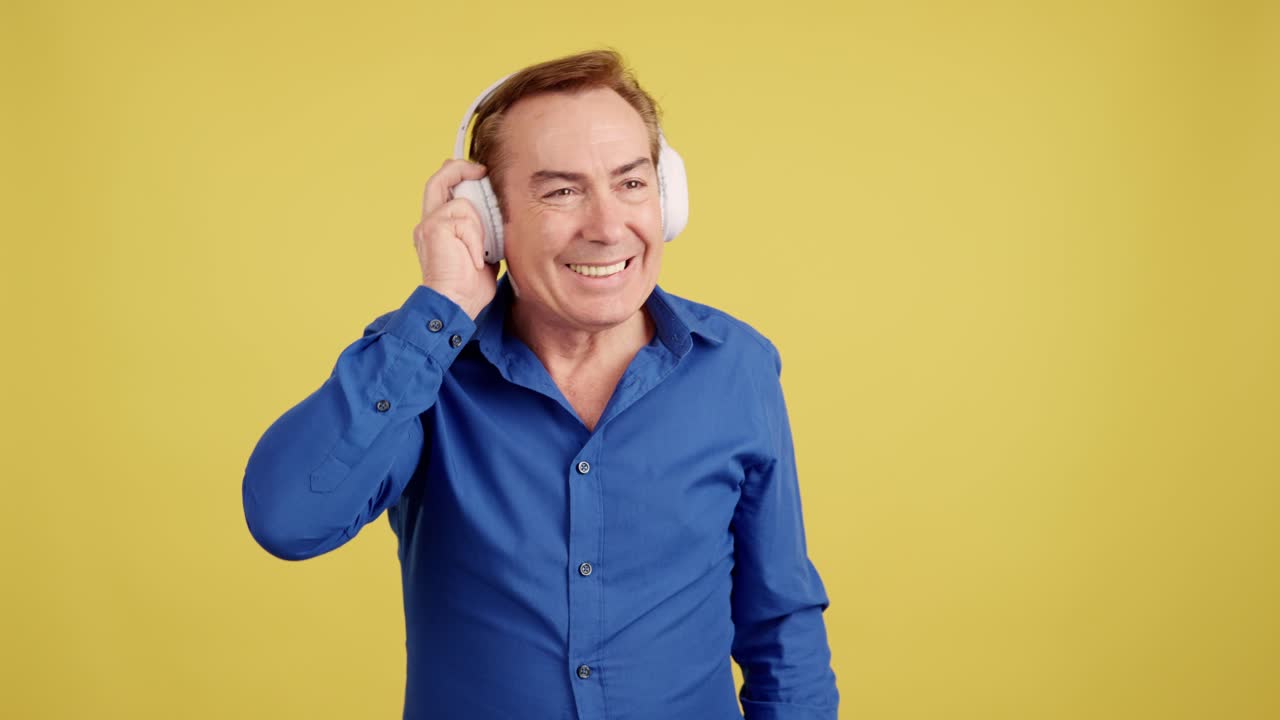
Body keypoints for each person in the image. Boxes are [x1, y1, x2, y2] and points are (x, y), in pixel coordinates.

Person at [241, 48, 839, 720]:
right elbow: (288, 520)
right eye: (561, 190)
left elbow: (781, 627)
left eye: (632, 184)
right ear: (490, 219)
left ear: (667, 197)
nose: (609, 227)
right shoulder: (420, 369)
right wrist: (439, 306)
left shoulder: (736, 366)